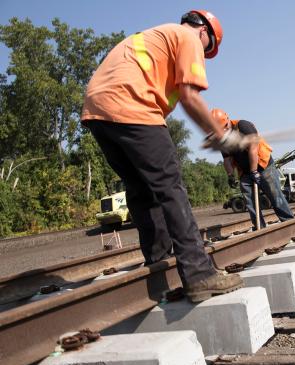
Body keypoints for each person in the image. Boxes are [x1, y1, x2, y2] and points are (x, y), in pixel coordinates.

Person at [81, 10, 252, 303]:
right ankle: (200, 275)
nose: (203, 54)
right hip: (133, 107)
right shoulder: (189, 37)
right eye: (207, 49)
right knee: (170, 188)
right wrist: (222, 136)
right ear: (205, 32)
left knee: (142, 191)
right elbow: (190, 96)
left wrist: (211, 132)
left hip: (97, 112)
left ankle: (160, 269)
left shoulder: (154, 36)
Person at [211, 109, 295, 230]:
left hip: (263, 166)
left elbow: (253, 149)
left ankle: (289, 223)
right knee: (250, 202)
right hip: (245, 171)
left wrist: (254, 171)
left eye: (224, 127)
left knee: (275, 196)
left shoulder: (243, 126)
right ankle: (260, 228)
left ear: (227, 119)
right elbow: (227, 159)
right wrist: (230, 175)